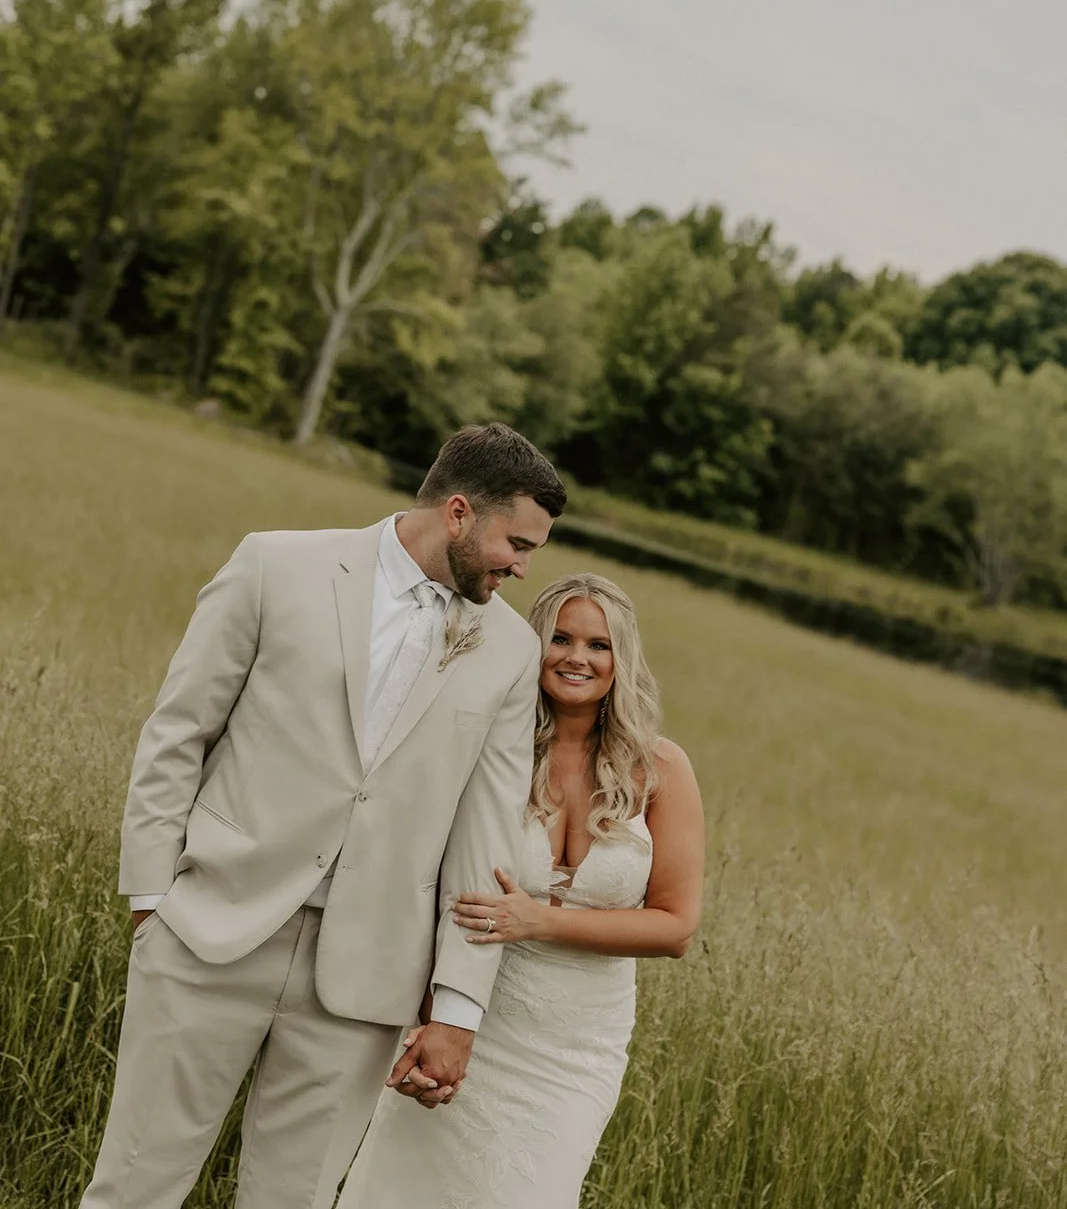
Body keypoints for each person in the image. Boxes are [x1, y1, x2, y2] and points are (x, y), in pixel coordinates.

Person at [78, 422, 567, 1209]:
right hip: (209, 935)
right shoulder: (276, 566)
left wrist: (457, 1005)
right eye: (517, 541)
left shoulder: (509, 650)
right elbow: (179, 732)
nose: (523, 565)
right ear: (457, 513)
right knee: (133, 1188)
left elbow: (485, 836)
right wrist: (150, 902)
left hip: (367, 981)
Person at [339, 572, 705, 1209]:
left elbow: (675, 928)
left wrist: (539, 921)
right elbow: (428, 884)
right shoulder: (492, 745)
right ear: (533, 645)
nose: (576, 657)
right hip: (472, 1015)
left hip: (576, 1051)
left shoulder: (661, 769)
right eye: (560, 638)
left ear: (622, 659)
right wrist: (432, 1016)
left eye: (598, 645)